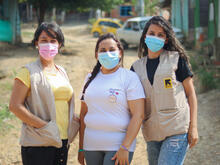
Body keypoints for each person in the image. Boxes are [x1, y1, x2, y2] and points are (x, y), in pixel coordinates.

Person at [131, 16, 198, 165]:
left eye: (160, 35)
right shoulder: (136, 68)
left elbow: (191, 94)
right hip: (151, 132)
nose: (155, 37)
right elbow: (132, 104)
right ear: (145, 36)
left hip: (177, 129)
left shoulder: (176, 59)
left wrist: (193, 127)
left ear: (166, 39)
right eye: (152, 33)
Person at [9, 22, 79, 165]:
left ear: (59, 44)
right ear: (37, 43)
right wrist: (44, 126)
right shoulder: (28, 72)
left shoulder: (62, 71)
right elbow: (15, 106)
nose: (49, 45)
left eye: (53, 41)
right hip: (39, 142)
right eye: (44, 41)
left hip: (62, 140)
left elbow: (63, 101)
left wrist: (74, 118)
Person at [78, 33, 145, 165]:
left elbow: (138, 115)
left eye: (112, 50)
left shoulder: (129, 77)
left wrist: (125, 147)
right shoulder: (89, 79)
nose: (107, 53)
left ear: (120, 53)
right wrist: (81, 147)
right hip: (91, 145)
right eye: (103, 50)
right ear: (96, 55)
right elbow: (83, 114)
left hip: (118, 146)